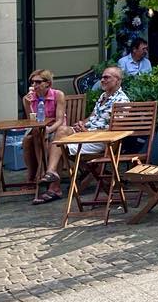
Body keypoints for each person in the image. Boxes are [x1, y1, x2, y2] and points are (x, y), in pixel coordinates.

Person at [33, 66, 128, 205]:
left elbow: (115, 131)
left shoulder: (121, 101)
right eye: (102, 77)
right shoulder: (104, 96)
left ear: (118, 80)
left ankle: (54, 188)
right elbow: (92, 118)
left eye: (106, 77)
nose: (102, 80)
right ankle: (52, 172)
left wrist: (88, 132)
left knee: (57, 146)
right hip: (87, 135)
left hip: (101, 141)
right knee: (61, 131)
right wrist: (81, 124)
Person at [21, 69, 67, 184]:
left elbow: (60, 120)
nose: (34, 85)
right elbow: (32, 121)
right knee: (27, 140)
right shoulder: (29, 98)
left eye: (38, 82)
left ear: (48, 83)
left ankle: (42, 171)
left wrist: (48, 130)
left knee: (41, 135)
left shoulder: (58, 95)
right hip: (38, 129)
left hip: (55, 129)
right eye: (32, 82)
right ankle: (32, 175)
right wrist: (28, 105)